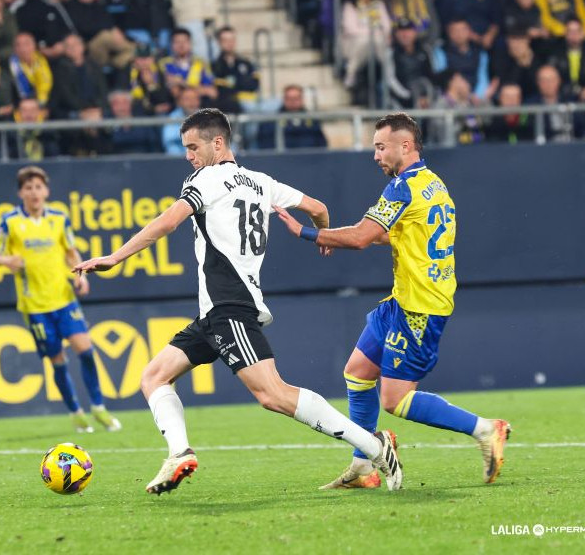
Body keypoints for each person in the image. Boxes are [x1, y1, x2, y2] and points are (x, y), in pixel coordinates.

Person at [74, 108, 403, 495]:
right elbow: (317, 208)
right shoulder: (261, 182)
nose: (188, 156)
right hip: (213, 313)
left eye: (193, 147)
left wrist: (115, 257)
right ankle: (179, 452)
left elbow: (167, 221)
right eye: (185, 148)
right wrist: (324, 237)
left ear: (218, 143)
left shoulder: (205, 179)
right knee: (154, 376)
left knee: (273, 394)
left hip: (230, 306)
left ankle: (373, 445)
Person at [275, 112, 510, 489]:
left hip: (420, 307)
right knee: (357, 371)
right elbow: (387, 235)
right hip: (404, 300)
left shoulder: (402, 187)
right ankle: (364, 466)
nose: (375, 155)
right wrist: (335, 234)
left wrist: (306, 232)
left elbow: (362, 237)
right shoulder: (433, 184)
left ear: (405, 145)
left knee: (396, 400)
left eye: (381, 147)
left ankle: (486, 429)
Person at [0, 165, 121, 433]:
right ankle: (76, 412)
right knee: (57, 360)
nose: (34, 192)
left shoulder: (59, 219)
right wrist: (7, 261)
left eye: (38, 187)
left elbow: (70, 252)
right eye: (28, 188)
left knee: (85, 350)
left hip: (63, 299)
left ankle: (99, 407)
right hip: (34, 305)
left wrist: (81, 276)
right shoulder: (10, 221)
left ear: (46, 191)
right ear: (20, 193)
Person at [63, 0, 135, 69]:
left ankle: (118, 61)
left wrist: (113, 30)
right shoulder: (72, 7)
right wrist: (109, 29)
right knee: (105, 36)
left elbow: (109, 22)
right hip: (88, 45)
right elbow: (84, 28)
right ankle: (133, 50)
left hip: (108, 47)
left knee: (135, 47)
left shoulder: (99, 6)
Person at [10, 0, 75, 62]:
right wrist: (40, 50)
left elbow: (70, 30)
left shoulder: (53, 5)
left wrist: (62, 45)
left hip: (58, 52)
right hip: (30, 54)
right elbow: (13, 36)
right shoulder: (16, 8)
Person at [257, 84, 327, 150]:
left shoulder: (313, 122)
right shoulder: (270, 122)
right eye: (289, 98)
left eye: (296, 98)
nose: (293, 101)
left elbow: (321, 145)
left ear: (302, 99)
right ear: (284, 99)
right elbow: (265, 146)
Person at [158, 27, 217, 104]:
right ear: (171, 45)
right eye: (177, 42)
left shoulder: (201, 63)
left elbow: (212, 92)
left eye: (184, 41)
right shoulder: (164, 64)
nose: (181, 45)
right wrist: (198, 88)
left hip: (199, 108)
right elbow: (174, 92)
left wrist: (182, 83)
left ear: (190, 43)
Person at [211, 26, 259, 114]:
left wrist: (234, 82)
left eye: (232, 40)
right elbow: (221, 89)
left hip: (250, 102)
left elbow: (254, 84)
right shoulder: (215, 66)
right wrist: (240, 81)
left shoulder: (246, 63)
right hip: (229, 106)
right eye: (225, 40)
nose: (230, 43)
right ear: (219, 42)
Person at [428, 71, 486, 144]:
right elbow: (443, 136)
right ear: (452, 83)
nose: (467, 83)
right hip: (452, 152)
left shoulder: (470, 103)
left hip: (477, 149)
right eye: (461, 79)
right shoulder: (440, 105)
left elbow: (483, 126)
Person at [391, 18, 435, 108]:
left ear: (415, 32)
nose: (405, 34)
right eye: (401, 31)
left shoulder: (425, 51)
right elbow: (391, 80)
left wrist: (426, 97)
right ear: (396, 34)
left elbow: (431, 75)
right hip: (401, 99)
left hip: (425, 96)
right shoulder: (391, 53)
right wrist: (410, 97)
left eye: (408, 30)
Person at [105, 89, 160, 155]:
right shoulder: (105, 127)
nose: (121, 107)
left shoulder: (143, 124)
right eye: (116, 103)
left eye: (124, 102)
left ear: (130, 104)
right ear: (111, 106)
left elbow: (155, 148)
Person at [9, 32, 53, 107]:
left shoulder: (48, 62)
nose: (22, 49)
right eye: (18, 45)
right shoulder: (9, 65)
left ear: (34, 46)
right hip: (18, 108)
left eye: (26, 44)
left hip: (44, 106)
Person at [129, 43, 173, 115]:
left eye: (147, 58)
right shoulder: (128, 73)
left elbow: (164, 98)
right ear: (134, 60)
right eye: (140, 58)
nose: (144, 62)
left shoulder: (160, 72)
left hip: (161, 112)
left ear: (153, 59)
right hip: (137, 112)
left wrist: (151, 85)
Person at [161, 86, 200, 155]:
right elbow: (170, 144)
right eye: (187, 99)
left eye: (194, 98)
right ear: (180, 102)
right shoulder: (172, 118)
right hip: (180, 160)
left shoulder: (207, 117)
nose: (192, 102)